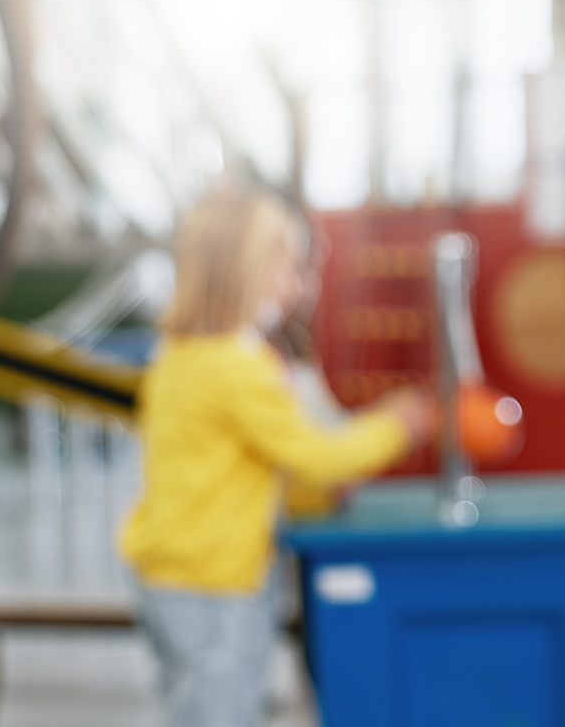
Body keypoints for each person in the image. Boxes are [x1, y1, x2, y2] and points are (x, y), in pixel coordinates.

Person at [119, 188, 434, 727]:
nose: (299, 285)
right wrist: (396, 425)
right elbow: (318, 456)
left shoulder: (181, 354)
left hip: (174, 575)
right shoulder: (236, 367)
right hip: (212, 585)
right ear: (247, 273)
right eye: (289, 268)